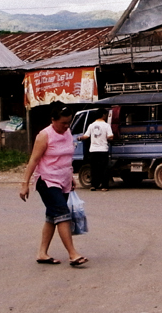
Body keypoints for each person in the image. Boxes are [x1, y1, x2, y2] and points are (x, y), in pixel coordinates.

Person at [19, 102, 88, 267]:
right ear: (53, 120)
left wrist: (70, 176)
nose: (66, 126)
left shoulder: (68, 132)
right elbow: (34, 160)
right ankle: (73, 254)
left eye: (68, 122)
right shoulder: (44, 135)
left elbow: (66, 157)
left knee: (52, 216)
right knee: (63, 214)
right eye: (63, 123)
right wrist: (25, 183)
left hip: (64, 180)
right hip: (47, 181)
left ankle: (42, 253)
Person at [78, 108, 113, 191]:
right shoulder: (106, 125)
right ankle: (104, 186)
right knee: (104, 168)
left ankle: (94, 185)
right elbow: (111, 136)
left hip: (93, 150)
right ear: (103, 115)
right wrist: (108, 138)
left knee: (94, 168)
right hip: (103, 150)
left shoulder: (91, 125)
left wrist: (79, 138)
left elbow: (86, 136)